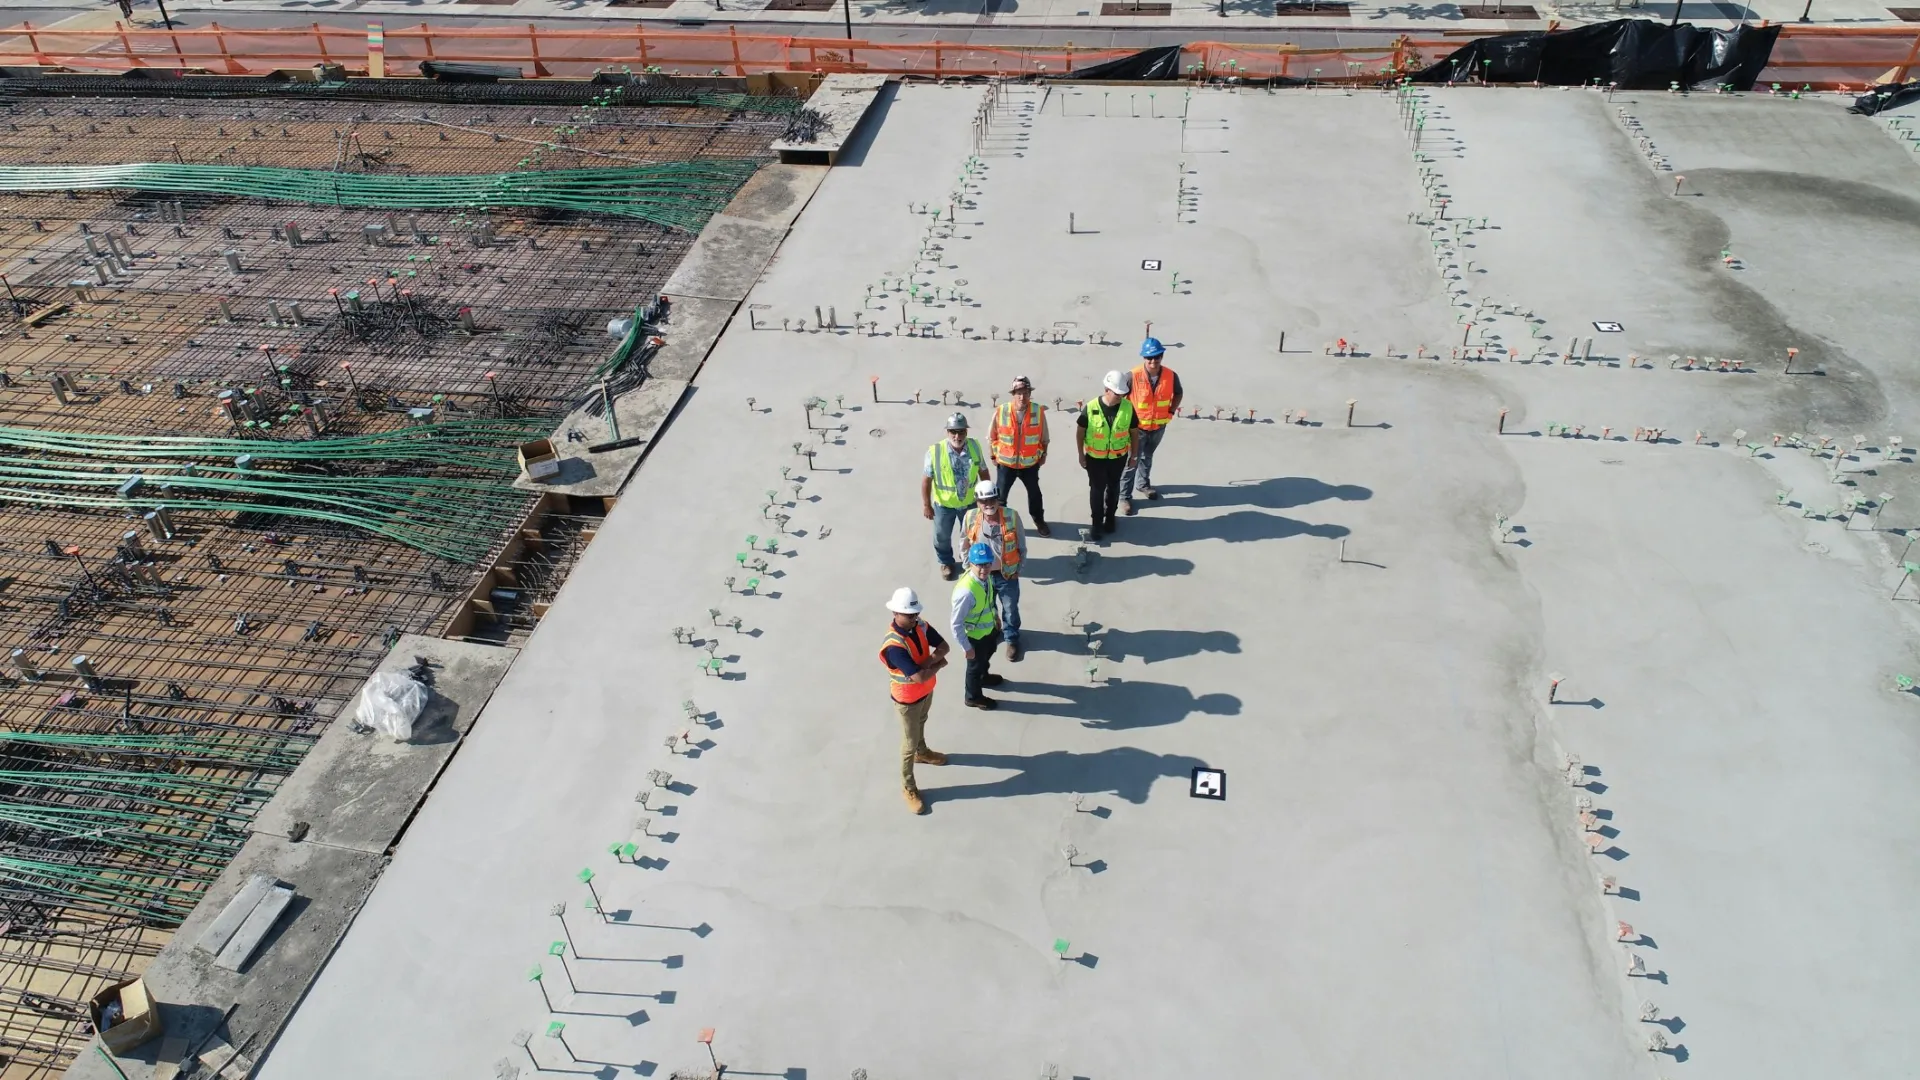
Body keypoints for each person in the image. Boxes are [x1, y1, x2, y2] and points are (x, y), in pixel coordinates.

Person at [879, 586, 950, 815]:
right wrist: (936, 664)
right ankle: (908, 787)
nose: (914, 618)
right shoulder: (894, 647)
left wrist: (929, 665)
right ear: (895, 614)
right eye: (909, 615)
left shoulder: (920, 625)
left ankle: (923, 752)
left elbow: (944, 646)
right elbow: (918, 676)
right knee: (907, 744)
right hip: (907, 699)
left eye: (915, 614)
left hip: (925, 691)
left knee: (922, 721)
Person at [960, 479, 1026, 662]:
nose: (989, 504)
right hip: (983, 576)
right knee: (988, 607)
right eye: (984, 501)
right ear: (978, 502)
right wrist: (968, 567)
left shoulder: (1012, 516)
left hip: (1007, 574)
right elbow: (963, 544)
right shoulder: (970, 517)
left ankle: (1011, 639)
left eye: (992, 499)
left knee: (1010, 609)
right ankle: (996, 630)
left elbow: (1021, 545)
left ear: (998, 499)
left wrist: (1019, 569)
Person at [1122, 337, 1183, 515]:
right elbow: (1120, 397)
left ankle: (1143, 485)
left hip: (1158, 427)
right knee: (1131, 461)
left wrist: (1170, 412)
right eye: (1149, 358)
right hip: (1136, 429)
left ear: (1161, 356)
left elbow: (1178, 393)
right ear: (1144, 358)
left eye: (1156, 357)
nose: (1153, 361)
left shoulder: (1171, 376)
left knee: (1147, 457)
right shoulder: (1132, 376)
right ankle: (1125, 497)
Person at [921, 413, 985, 580]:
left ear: (966, 432)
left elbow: (983, 472)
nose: (957, 436)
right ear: (947, 432)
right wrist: (927, 505)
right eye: (953, 432)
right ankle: (946, 562)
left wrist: (986, 499)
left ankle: (972, 561)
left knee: (973, 534)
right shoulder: (935, 451)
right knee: (941, 536)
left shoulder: (975, 446)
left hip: (970, 503)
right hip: (944, 505)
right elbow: (926, 481)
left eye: (961, 432)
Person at [1077, 371, 1141, 538]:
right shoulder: (1091, 407)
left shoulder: (1128, 408)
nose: (1120, 396)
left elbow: (1134, 432)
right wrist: (1080, 454)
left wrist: (1134, 456)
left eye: (1122, 393)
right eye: (1117, 393)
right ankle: (1096, 523)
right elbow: (1080, 431)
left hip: (1118, 458)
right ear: (1107, 389)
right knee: (1097, 490)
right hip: (1095, 459)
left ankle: (1110, 517)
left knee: (1113, 488)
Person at [989, 376, 1051, 537]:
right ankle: (999, 524)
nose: (1022, 397)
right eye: (1018, 393)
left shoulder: (1038, 411)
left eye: (1025, 393)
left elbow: (1044, 437)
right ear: (1013, 394)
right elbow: (992, 435)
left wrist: (1043, 454)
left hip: (1030, 464)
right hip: (1006, 464)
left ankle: (1039, 520)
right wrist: (992, 455)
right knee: (1000, 497)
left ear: (1030, 393)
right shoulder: (1002, 411)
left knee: (1035, 494)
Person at [950, 541, 1005, 709]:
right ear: (971, 564)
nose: (984, 569)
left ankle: (984, 676)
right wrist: (966, 647)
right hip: (974, 638)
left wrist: (995, 616)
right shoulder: (966, 592)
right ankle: (973, 697)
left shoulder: (985, 578)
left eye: (987, 564)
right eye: (979, 565)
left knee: (987, 656)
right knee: (974, 668)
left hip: (988, 631)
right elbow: (956, 624)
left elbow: (989, 600)